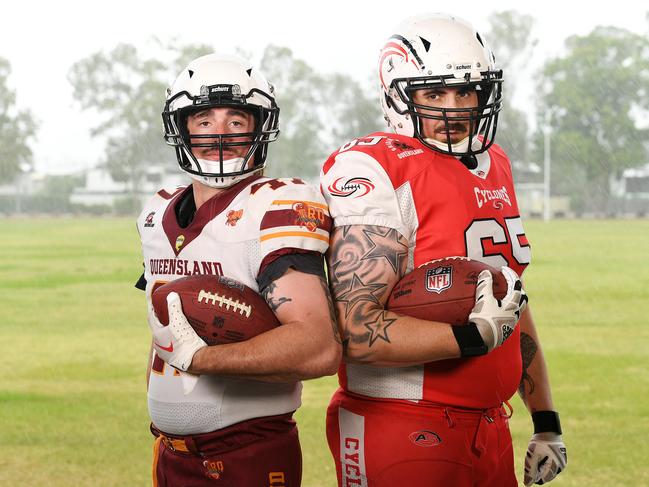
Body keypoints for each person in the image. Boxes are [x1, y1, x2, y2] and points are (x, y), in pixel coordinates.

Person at [320, 13, 567, 487]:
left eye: (466, 92)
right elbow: (356, 329)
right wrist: (472, 339)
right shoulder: (372, 167)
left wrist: (546, 418)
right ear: (399, 95)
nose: (454, 108)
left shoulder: (494, 163)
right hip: (402, 420)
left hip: (490, 423)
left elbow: (509, 303)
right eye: (433, 94)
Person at [135, 53, 342, 487]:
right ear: (182, 128)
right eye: (204, 120)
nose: (221, 135)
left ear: (260, 126)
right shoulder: (156, 213)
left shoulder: (274, 206)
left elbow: (319, 348)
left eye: (236, 120)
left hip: (247, 450)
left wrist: (204, 360)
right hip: (170, 452)